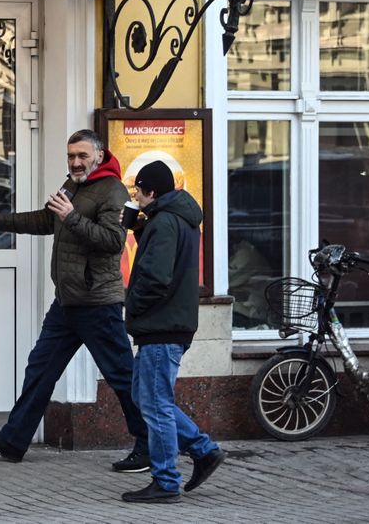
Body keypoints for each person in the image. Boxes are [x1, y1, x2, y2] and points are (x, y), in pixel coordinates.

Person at [0, 129, 149, 471]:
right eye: (71, 156)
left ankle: (149, 445)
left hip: (98, 303)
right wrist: (1, 221)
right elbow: (46, 219)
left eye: (82, 156)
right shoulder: (73, 186)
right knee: (40, 369)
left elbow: (112, 241)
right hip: (67, 302)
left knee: (122, 378)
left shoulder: (113, 190)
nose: (76, 162)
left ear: (99, 155)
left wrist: (72, 217)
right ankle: (14, 439)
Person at [121, 160, 224, 503]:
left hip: (161, 326)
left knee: (156, 406)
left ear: (151, 192)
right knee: (145, 398)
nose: (135, 195)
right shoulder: (175, 218)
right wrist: (138, 228)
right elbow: (164, 258)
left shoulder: (164, 223)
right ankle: (203, 449)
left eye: (138, 190)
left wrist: (131, 304)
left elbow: (155, 276)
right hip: (168, 324)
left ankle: (166, 481)